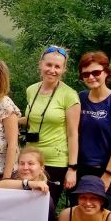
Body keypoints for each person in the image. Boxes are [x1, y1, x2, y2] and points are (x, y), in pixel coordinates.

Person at [22, 45, 80, 205]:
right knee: (26, 206)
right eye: (49, 65)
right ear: (41, 64)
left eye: (57, 66)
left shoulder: (69, 95)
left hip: (55, 162)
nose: (52, 70)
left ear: (63, 69)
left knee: (46, 208)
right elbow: (31, 119)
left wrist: (72, 168)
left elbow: (73, 133)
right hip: (30, 160)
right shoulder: (31, 90)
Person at [75, 51, 111, 212]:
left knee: (104, 215)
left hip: (105, 169)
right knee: (79, 214)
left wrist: (108, 174)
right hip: (82, 169)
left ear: (106, 72)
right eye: (85, 74)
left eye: (96, 72)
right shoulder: (81, 98)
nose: (91, 77)